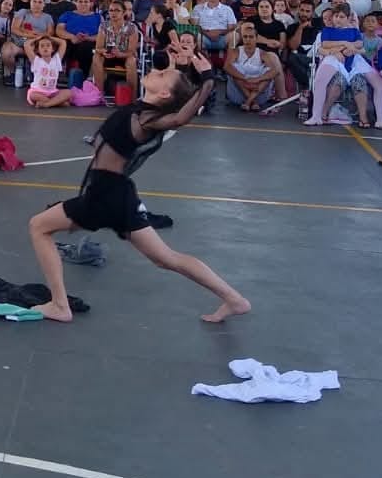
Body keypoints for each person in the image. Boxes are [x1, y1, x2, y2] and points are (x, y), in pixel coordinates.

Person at [25, 40, 251, 324]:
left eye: (162, 75)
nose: (156, 71)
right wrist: (182, 63)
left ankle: (59, 305)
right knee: (165, 258)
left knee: (38, 227)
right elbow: (178, 93)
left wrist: (207, 81)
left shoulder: (147, 119)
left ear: (164, 92)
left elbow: (181, 116)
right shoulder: (143, 108)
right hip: (119, 195)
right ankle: (234, 298)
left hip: (105, 195)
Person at [224, 21, 278, 113]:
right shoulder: (236, 51)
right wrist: (245, 79)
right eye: (245, 37)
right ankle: (252, 102)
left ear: (256, 38)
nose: (248, 39)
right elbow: (226, 67)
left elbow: (275, 71)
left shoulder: (262, 53)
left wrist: (257, 80)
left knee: (267, 74)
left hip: (259, 93)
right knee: (234, 70)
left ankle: (249, 101)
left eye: (251, 37)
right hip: (238, 94)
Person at [90, 0, 140, 96]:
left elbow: (131, 50)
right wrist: (104, 52)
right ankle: (99, 94)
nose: (113, 13)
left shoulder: (131, 28)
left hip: (125, 56)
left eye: (117, 10)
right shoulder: (104, 26)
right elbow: (98, 47)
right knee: (96, 57)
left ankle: (131, 97)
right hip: (109, 56)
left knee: (131, 60)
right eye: (111, 10)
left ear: (124, 12)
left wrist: (120, 54)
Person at [24, 35, 74, 108]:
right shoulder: (36, 60)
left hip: (53, 92)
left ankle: (46, 104)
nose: (45, 48)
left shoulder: (57, 60)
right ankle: (58, 103)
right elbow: (26, 45)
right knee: (33, 95)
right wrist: (38, 38)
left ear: (52, 49)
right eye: (42, 46)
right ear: (38, 50)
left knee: (69, 92)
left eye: (48, 45)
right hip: (38, 91)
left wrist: (49, 37)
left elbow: (63, 43)